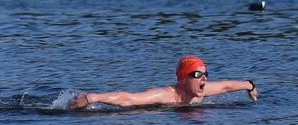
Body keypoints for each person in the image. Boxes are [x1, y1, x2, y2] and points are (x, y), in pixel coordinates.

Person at [69, 55, 258, 109]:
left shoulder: (202, 89)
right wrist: (91, 97)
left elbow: (227, 85)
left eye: (205, 74)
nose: (204, 79)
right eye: (197, 75)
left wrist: (250, 85)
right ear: (183, 80)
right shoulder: (168, 95)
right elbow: (129, 99)